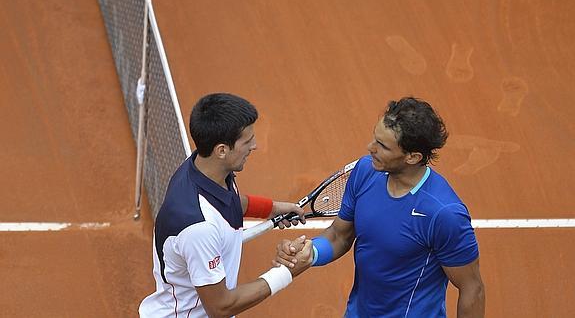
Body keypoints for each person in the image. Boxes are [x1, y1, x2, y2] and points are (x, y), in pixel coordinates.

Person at [275, 97, 485, 317]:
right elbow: (340, 235)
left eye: (382, 146)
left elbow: (473, 289)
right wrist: (312, 253)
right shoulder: (366, 170)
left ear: (412, 157)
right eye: (375, 138)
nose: (370, 148)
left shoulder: (443, 214)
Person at [139, 93, 312, 318]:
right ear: (221, 150)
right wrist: (287, 272)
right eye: (247, 141)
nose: (255, 146)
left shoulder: (203, 168)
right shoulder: (198, 228)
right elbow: (221, 307)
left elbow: (230, 201)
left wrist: (274, 208)